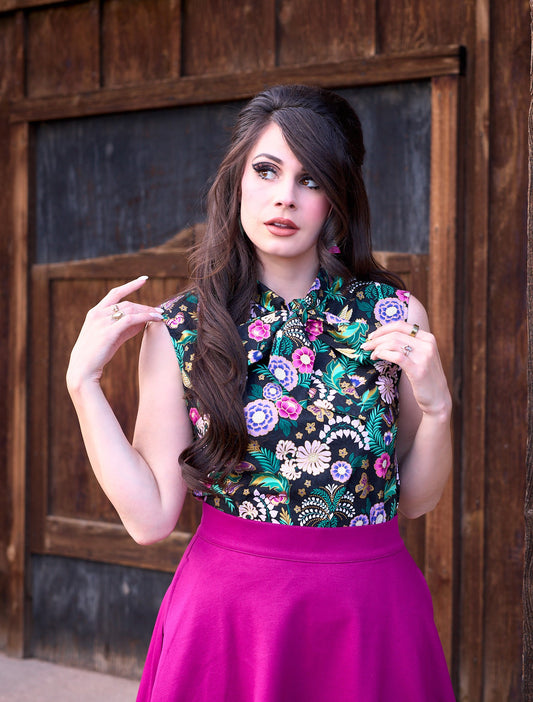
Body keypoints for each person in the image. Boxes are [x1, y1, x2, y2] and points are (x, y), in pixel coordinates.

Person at [66, 84, 455, 701]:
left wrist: (437, 409)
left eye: (310, 180)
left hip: (369, 614)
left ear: (336, 199)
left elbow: (415, 501)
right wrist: (83, 385)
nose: (285, 197)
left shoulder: (395, 315)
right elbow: (149, 520)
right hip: (229, 622)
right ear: (238, 180)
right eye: (267, 170)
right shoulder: (184, 327)